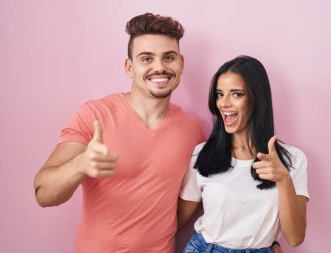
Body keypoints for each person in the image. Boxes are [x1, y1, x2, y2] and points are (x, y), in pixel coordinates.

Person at [34, 13, 205, 253]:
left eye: (169, 57)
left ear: (181, 63)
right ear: (129, 67)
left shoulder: (192, 130)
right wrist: (81, 164)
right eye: (146, 58)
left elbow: (187, 199)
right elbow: (43, 194)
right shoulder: (94, 115)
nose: (159, 67)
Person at [177, 55, 309, 253]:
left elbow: (295, 237)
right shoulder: (202, 154)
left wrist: (284, 180)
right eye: (220, 94)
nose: (224, 103)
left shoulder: (292, 160)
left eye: (236, 94)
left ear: (257, 99)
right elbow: (175, 221)